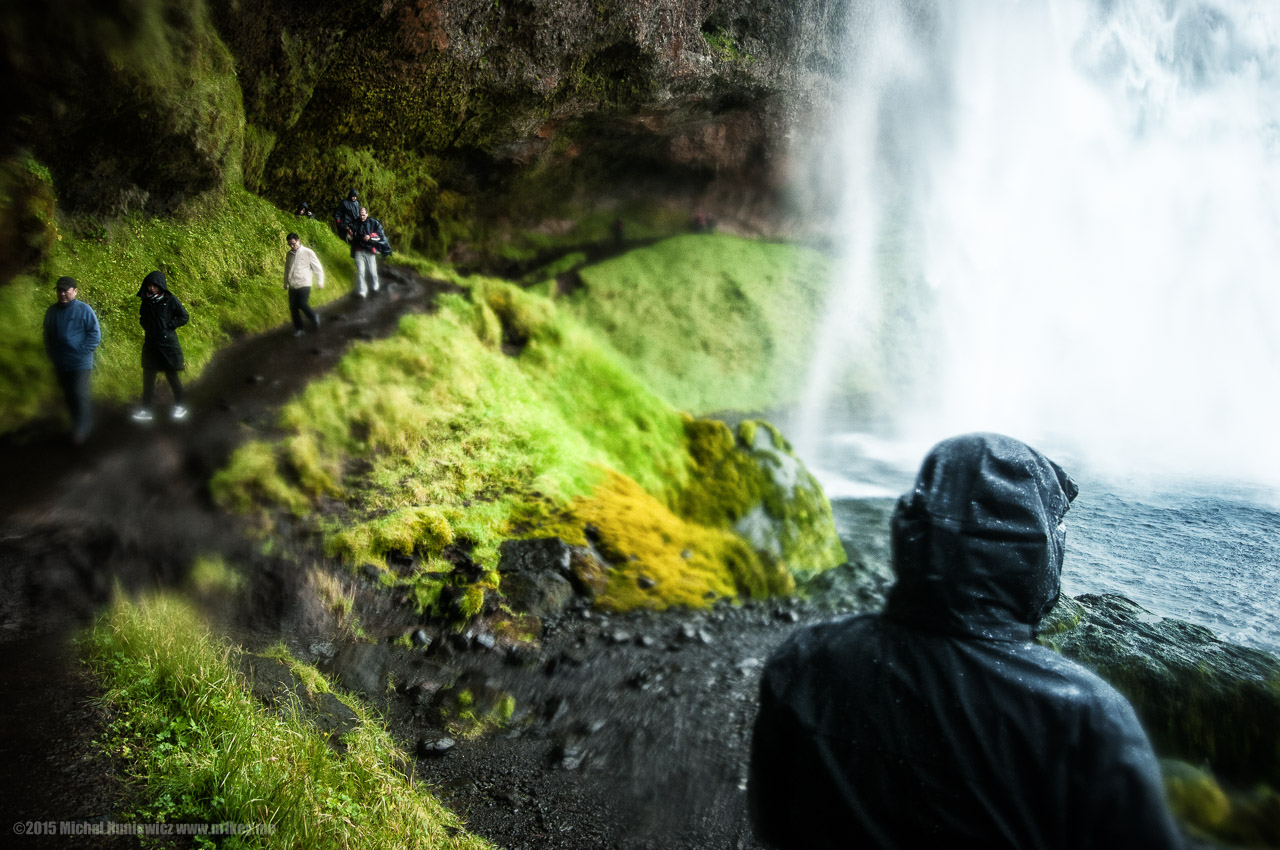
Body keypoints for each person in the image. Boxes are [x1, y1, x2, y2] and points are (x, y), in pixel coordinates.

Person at [748, 432, 1184, 850]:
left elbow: (772, 821)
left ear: (912, 531)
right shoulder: (1089, 720)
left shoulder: (804, 658)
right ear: (1037, 553)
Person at [42, 275, 101, 444]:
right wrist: (52, 353)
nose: (62, 294)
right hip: (61, 362)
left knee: (79, 393)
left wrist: (82, 351)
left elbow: (94, 334)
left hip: (81, 362)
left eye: (65, 290)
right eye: (59, 290)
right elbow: (48, 335)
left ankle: (82, 428)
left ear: (75, 291)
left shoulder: (84, 310)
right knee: (69, 395)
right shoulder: (52, 312)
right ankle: (79, 422)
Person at [131, 270, 190, 422]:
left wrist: (169, 325)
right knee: (148, 378)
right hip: (151, 345)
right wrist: (149, 329)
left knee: (172, 376)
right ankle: (147, 410)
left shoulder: (171, 300)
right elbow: (142, 318)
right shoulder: (146, 301)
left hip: (167, 345)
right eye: (149, 285)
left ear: (161, 286)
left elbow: (184, 316)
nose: (151, 288)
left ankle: (180, 406)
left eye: (154, 285)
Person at [284, 232, 324, 335]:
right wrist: (286, 283)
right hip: (293, 284)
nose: (292, 246)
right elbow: (287, 269)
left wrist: (320, 281)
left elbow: (317, 268)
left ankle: (314, 316)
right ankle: (299, 329)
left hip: (304, 283)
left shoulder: (308, 252)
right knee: (293, 307)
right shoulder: (289, 254)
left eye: (294, 243)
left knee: (302, 303)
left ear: (298, 241)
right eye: (290, 244)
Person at [350, 206, 388, 298]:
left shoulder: (374, 223)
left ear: (367, 214)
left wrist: (370, 237)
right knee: (360, 272)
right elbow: (351, 236)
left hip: (370, 250)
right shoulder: (355, 223)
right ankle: (362, 290)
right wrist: (350, 233)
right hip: (358, 251)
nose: (362, 216)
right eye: (360, 215)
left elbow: (380, 236)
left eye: (363, 215)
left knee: (372, 270)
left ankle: (375, 285)